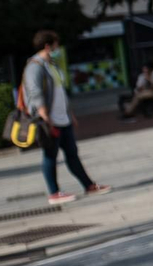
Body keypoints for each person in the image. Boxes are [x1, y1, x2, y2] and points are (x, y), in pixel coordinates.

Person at [23, 30, 110, 205]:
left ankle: (89, 185)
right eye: (56, 45)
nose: (58, 48)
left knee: (72, 154)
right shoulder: (35, 66)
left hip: (63, 118)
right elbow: (35, 92)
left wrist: (70, 113)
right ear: (48, 46)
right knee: (50, 155)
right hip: (50, 120)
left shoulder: (52, 65)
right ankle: (54, 193)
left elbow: (60, 91)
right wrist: (45, 115)